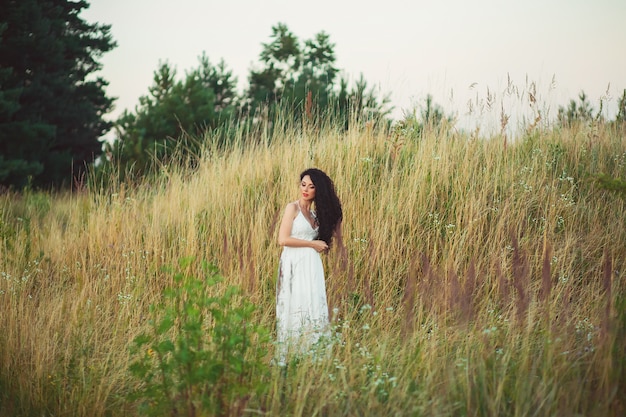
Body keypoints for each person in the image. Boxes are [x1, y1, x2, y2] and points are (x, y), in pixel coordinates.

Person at [275, 168, 344, 364]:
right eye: (303, 184)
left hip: (311, 266)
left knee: (312, 303)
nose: (305, 189)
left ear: (318, 191)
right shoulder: (293, 208)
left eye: (311, 186)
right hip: (293, 263)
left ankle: (313, 353)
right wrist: (312, 244)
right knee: (294, 303)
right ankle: (292, 353)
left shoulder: (314, 215)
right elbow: (283, 239)